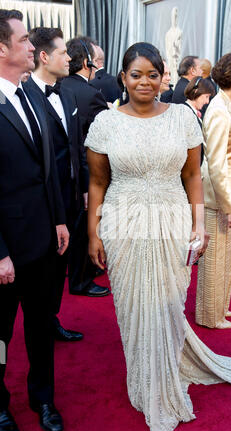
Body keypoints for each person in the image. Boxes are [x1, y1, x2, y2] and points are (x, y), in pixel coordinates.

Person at [85, 42, 231, 431]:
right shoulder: (105, 123)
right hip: (124, 224)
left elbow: (192, 177)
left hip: (171, 220)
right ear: (123, 77)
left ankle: (166, 375)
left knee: (167, 304)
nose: (145, 82)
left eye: (153, 74)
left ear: (163, 77)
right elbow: (98, 182)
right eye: (136, 74)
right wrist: (93, 233)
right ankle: (143, 380)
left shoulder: (183, 119)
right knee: (133, 306)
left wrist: (199, 224)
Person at [0, 9, 69, 431]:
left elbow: (50, 169)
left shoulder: (34, 96)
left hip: (45, 239)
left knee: (42, 325)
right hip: (6, 249)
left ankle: (43, 398)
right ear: (2, 47)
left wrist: (61, 220)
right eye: (24, 40)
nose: (32, 46)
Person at [24, 27, 88, 341]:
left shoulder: (68, 92)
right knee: (44, 270)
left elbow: (77, 146)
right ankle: (41, 323)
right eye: (64, 52)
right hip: (43, 204)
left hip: (72, 196)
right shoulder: (25, 97)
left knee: (58, 267)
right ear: (45, 56)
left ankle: (51, 319)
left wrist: (85, 187)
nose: (70, 58)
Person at [195, 53, 231, 329]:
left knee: (228, 256)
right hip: (219, 197)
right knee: (214, 259)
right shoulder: (218, 109)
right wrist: (229, 206)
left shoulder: (227, 104)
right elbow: (215, 164)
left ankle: (220, 308)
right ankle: (209, 315)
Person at [61, 36, 110, 297]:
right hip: (87, 174)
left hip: (61, 177)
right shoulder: (92, 95)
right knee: (83, 231)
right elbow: (99, 144)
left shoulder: (59, 87)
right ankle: (82, 279)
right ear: (85, 62)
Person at [183, 76, 215, 164]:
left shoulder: (191, 111)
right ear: (196, 91)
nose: (207, 101)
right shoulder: (186, 112)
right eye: (206, 96)